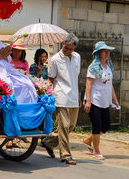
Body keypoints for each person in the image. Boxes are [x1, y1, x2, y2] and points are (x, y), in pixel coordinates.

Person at [41, 33, 81, 165]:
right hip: (60, 95)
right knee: (63, 125)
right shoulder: (55, 59)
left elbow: (76, 78)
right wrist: (46, 94)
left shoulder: (77, 57)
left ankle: (48, 142)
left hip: (74, 95)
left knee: (71, 125)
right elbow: (51, 79)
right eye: (65, 47)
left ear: (74, 48)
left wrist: (79, 96)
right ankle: (65, 155)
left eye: (70, 49)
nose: (67, 50)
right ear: (63, 44)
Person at [83, 42, 120, 160]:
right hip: (94, 100)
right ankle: (97, 151)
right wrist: (88, 101)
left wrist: (115, 100)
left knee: (105, 126)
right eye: (105, 51)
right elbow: (88, 84)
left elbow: (110, 86)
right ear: (98, 53)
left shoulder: (108, 67)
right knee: (96, 125)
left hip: (105, 101)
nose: (107, 53)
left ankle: (88, 140)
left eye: (108, 51)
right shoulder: (93, 67)